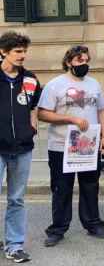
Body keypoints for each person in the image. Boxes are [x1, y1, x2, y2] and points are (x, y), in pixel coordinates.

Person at [38, 46, 104, 247]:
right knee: (62, 188)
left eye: (86, 61)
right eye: (79, 61)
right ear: (69, 62)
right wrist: (71, 119)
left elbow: (102, 111)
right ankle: (58, 228)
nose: (84, 65)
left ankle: (93, 223)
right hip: (61, 146)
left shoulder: (94, 84)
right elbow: (43, 114)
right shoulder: (55, 85)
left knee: (90, 185)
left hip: (88, 145)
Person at [0, 32, 42, 263]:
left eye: (24, 51)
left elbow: (34, 105)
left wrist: (32, 125)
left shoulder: (30, 79)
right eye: (17, 51)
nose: (22, 55)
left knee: (16, 199)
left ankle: (14, 245)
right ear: (3, 52)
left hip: (23, 148)